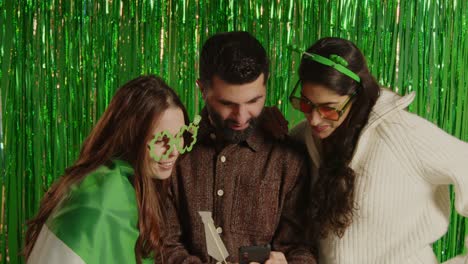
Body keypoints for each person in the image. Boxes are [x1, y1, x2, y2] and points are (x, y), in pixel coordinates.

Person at [289, 37, 468, 263]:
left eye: (329, 108)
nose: (314, 119)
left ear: (357, 96)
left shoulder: (401, 133)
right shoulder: (303, 137)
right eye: (306, 104)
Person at [163, 31, 316, 263]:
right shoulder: (176, 152)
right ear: (202, 89)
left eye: (254, 101)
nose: (241, 117)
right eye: (227, 104)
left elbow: (301, 248)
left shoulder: (288, 158)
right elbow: (165, 244)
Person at [23, 75, 201, 264]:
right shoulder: (105, 197)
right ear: (131, 137)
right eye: (160, 139)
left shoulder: (128, 184)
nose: (174, 150)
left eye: (180, 135)